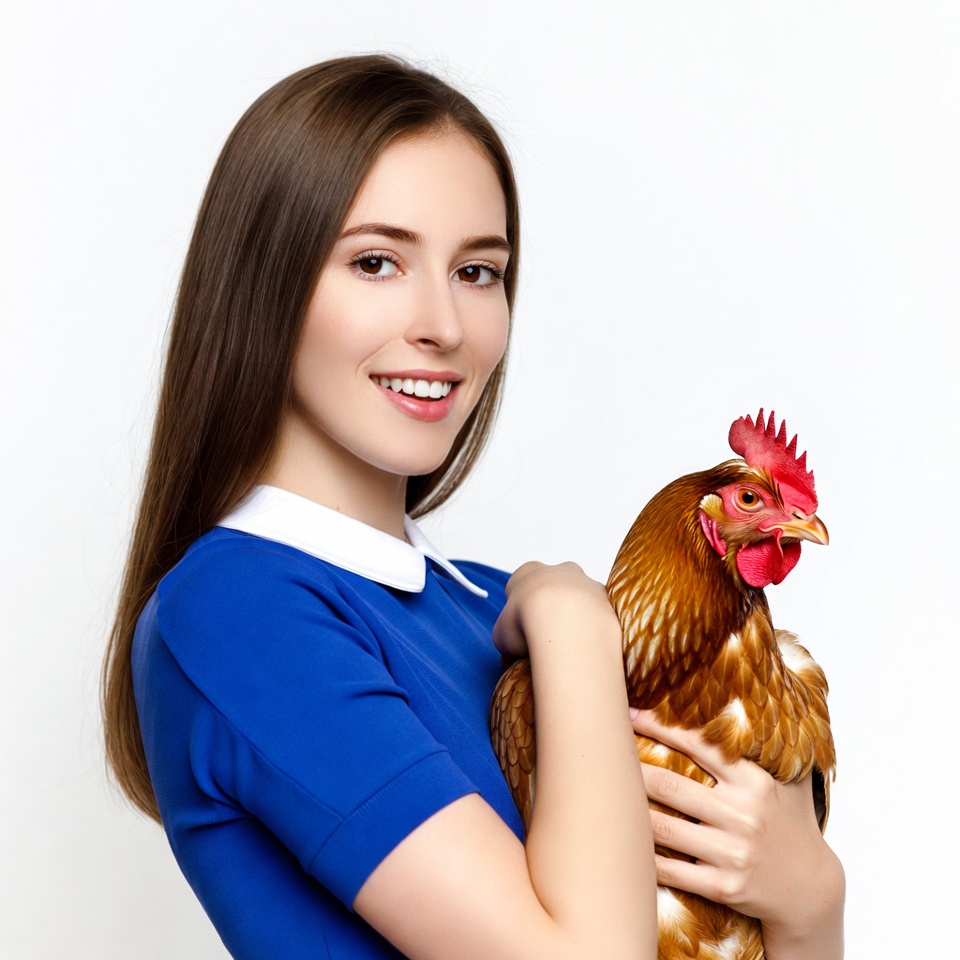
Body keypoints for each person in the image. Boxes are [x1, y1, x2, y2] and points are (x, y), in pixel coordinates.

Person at [102, 55, 844, 960]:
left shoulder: (495, 606)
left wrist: (810, 906)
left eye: (479, 272)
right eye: (376, 262)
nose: (445, 326)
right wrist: (576, 629)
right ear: (268, 285)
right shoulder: (237, 616)